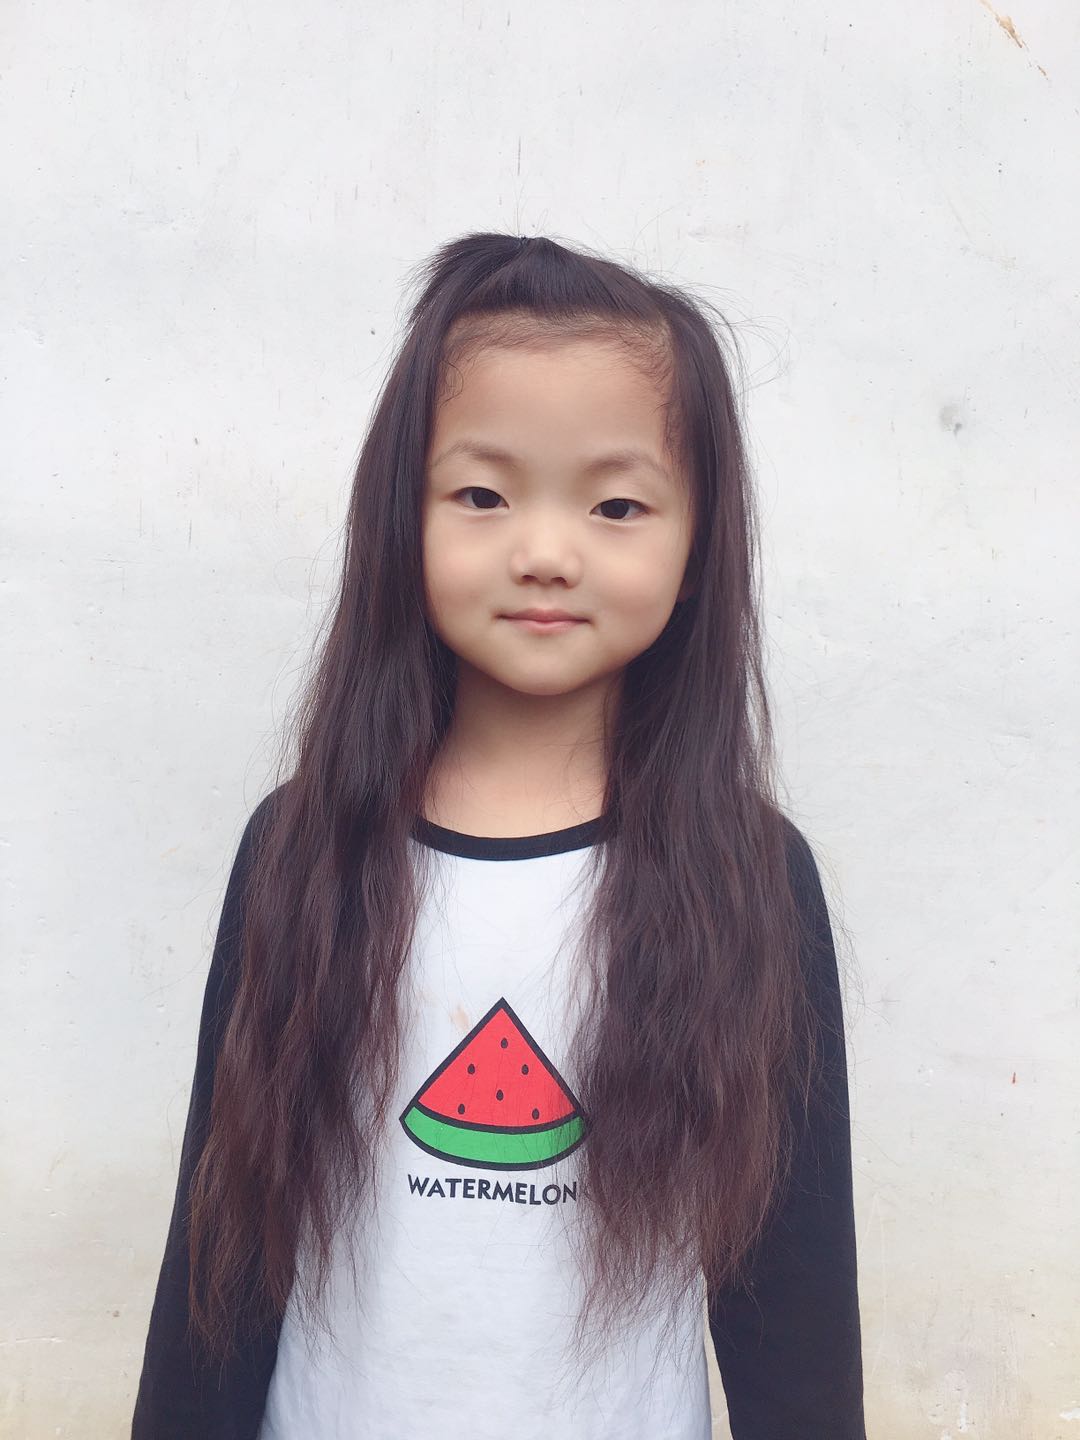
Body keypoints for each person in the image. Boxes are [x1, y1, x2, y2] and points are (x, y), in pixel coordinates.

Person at [131, 231, 867, 1438]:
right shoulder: (298, 850)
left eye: (617, 504)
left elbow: (791, 1297)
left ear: (697, 546)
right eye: (482, 494)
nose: (544, 552)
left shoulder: (751, 878)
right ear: (401, 519)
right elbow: (223, 1252)